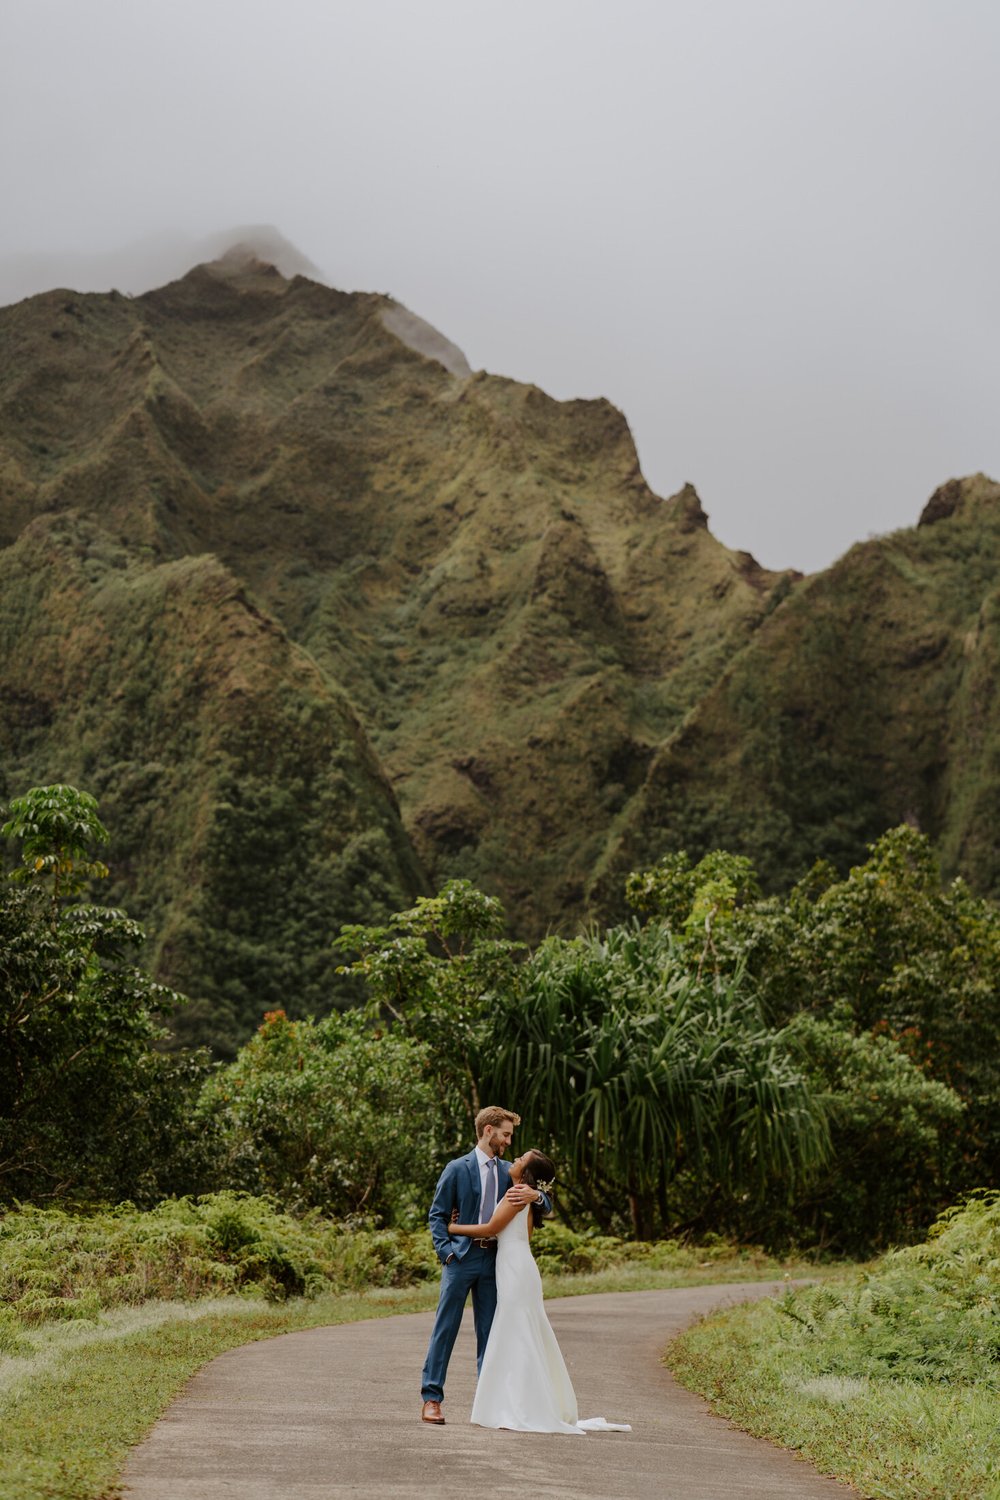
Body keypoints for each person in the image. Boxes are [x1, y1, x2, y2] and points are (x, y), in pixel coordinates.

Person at [449, 1148, 631, 1436]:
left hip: (515, 1268)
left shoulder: (517, 1194)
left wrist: (453, 1226)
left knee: (516, 1332)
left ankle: (520, 1404)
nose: (515, 1159)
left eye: (521, 1159)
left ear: (527, 1174)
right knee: (519, 1333)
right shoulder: (525, 1195)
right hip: (519, 1265)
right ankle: (518, 1401)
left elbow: (491, 1228)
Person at [420, 1106, 550, 1425]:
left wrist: (537, 1196)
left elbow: (545, 1203)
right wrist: (447, 1254)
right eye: (505, 1134)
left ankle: (489, 1403)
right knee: (445, 1328)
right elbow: (437, 1215)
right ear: (488, 1131)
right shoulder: (456, 1168)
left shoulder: (510, 1172)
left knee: (491, 1333)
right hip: (460, 1259)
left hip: (495, 1262)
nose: (508, 1142)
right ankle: (432, 1398)